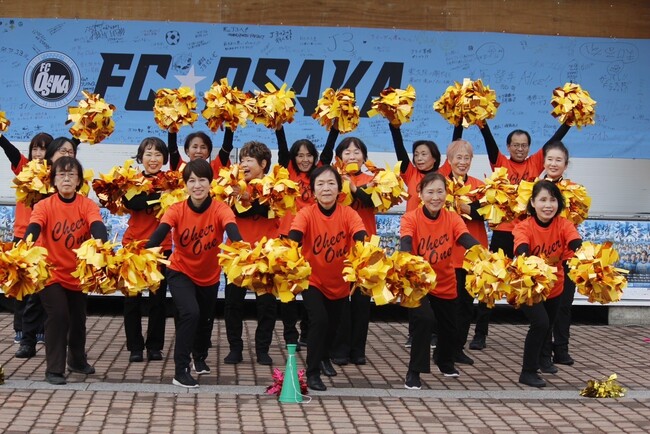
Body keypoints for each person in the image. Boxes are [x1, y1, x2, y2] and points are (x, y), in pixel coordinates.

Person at [468, 120, 571, 351]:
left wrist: (569, 122)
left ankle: (542, 335)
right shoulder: (500, 163)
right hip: (503, 233)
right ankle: (480, 334)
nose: (520, 149)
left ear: (529, 148)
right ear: (508, 147)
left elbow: (554, 140)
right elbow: (489, 143)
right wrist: (482, 124)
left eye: (524, 145)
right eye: (515, 145)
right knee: (490, 282)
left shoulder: (535, 163)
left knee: (537, 280)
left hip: (528, 235)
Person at [146, 159, 243, 388]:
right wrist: (144, 252)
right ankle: (181, 371)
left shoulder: (220, 208)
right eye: (191, 181)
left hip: (209, 276)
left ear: (210, 183)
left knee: (205, 320)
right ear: (185, 185)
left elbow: (232, 229)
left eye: (202, 180)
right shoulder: (176, 209)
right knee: (190, 313)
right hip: (180, 270)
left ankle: (199, 357)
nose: (197, 185)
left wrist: (243, 249)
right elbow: (160, 231)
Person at [25, 156, 108, 385]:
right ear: (53, 180)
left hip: (77, 274)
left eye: (71, 175)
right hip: (50, 273)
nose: (67, 179)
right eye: (61, 175)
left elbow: (96, 224)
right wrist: (25, 244)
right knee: (59, 315)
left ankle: (77, 361)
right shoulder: (44, 205)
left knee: (78, 319)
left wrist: (101, 242)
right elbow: (34, 226)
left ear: (79, 180)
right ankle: (54, 369)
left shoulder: (86, 204)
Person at [288, 165, 367, 391]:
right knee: (319, 320)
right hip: (312, 280)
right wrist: (288, 248)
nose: (326, 188)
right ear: (313, 190)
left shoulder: (348, 213)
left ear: (339, 189)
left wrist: (365, 250)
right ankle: (312, 373)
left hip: (340, 282)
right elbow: (294, 235)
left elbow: (360, 234)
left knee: (332, 327)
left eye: (331, 183)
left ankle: (323, 357)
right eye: (320, 184)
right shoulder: (306, 213)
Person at [400, 172, 479, 389]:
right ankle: (414, 371)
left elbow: (464, 237)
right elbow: (406, 240)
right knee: (424, 320)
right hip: (418, 282)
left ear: (446, 193)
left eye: (440, 192)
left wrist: (481, 253)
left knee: (450, 327)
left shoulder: (452, 218)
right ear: (420, 194)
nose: (435, 197)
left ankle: (444, 361)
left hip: (444, 281)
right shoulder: (411, 218)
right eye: (430, 192)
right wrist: (405, 257)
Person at [512, 180, 581, 387]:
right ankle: (528, 372)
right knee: (540, 323)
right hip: (529, 286)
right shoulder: (524, 226)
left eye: (552, 200)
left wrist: (586, 254)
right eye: (542, 200)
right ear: (533, 202)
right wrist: (525, 257)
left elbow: (575, 242)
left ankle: (544, 360)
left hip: (554, 286)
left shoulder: (564, 224)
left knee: (548, 324)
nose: (548, 205)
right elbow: (521, 248)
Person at [16, 136, 79, 359]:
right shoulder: (38, 177)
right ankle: (27, 341)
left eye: (70, 152)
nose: (66, 154)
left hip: (67, 251)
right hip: (43, 250)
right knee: (34, 299)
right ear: (51, 155)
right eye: (62, 151)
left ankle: (70, 348)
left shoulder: (75, 178)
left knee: (67, 305)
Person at [275, 126, 338, 350]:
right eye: (300, 155)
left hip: (312, 238)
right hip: (288, 237)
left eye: (309, 155)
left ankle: (307, 331)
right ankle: (290, 335)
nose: (304, 160)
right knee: (289, 289)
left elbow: (328, 151)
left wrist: (335, 126)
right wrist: (279, 128)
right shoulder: (288, 172)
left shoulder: (319, 175)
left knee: (312, 287)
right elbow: (282, 151)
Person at [223, 141, 280, 366]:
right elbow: (232, 212)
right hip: (237, 253)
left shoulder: (276, 186)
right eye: (242, 160)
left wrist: (246, 196)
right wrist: (238, 193)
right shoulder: (232, 185)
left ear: (263, 164)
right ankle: (235, 348)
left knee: (266, 305)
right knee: (232, 304)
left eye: (249, 160)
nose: (244, 164)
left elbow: (265, 210)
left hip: (266, 254)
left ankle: (262, 349)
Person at [121, 137, 173, 363]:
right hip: (133, 246)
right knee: (132, 299)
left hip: (162, 248)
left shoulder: (171, 181)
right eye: (148, 154)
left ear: (165, 158)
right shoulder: (130, 180)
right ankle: (135, 347)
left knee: (157, 300)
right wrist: (159, 197)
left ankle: (154, 346)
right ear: (140, 157)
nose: (153, 159)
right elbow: (133, 203)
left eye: (158, 154)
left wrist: (157, 195)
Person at [438, 140, 489, 366]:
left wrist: (467, 208)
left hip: (473, 255)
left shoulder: (479, 186)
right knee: (448, 305)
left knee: (467, 305)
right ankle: (443, 348)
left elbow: (490, 211)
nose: (462, 162)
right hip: (447, 254)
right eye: (458, 157)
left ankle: (458, 348)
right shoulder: (440, 185)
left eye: (466, 158)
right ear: (449, 160)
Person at [329, 136, 377, 366]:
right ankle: (339, 348)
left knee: (361, 302)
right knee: (339, 300)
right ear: (339, 157)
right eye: (346, 152)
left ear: (364, 157)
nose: (352, 156)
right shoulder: (332, 179)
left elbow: (372, 202)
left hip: (365, 248)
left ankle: (358, 350)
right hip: (339, 247)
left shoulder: (374, 179)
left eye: (357, 152)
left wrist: (354, 186)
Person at [1, 132, 51, 345]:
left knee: (41, 286)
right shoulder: (24, 168)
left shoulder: (54, 174)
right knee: (21, 284)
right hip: (22, 236)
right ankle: (20, 328)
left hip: (44, 239)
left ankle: (40, 329)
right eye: (35, 149)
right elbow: (10, 152)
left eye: (43, 149)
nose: (38, 153)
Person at [168, 129, 233, 173]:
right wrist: (172, 128)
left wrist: (230, 123)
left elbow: (226, 148)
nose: (199, 151)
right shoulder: (181, 169)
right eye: (195, 147)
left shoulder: (215, 168)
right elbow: (172, 149)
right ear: (187, 151)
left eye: (203, 147)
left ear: (208, 152)